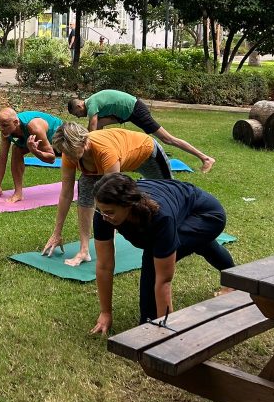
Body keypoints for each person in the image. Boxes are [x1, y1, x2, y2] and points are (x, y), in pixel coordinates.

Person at [89, 172, 234, 334]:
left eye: (110, 212)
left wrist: (164, 329)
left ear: (128, 205)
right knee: (199, 243)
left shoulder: (159, 218)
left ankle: (149, 325)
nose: (104, 217)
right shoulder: (103, 213)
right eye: (101, 211)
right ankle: (236, 280)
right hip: (180, 206)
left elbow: (163, 279)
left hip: (207, 215)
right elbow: (104, 265)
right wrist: (105, 312)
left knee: (154, 257)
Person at [42, 123, 172, 267]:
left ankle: (171, 235)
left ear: (85, 142)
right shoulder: (70, 152)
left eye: (73, 153)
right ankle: (84, 250)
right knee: (85, 189)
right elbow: (66, 194)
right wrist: (57, 232)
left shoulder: (105, 151)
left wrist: (109, 248)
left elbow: (114, 199)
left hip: (146, 153)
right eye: (67, 153)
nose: (71, 158)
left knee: (168, 194)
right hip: (107, 160)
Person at [68, 89, 215, 173]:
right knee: (99, 126)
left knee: (167, 139)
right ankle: (98, 155)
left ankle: (205, 158)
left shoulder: (91, 104)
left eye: (77, 114)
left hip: (135, 110)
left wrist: (83, 146)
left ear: (80, 106)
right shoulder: (94, 103)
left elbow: (92, 130)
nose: (80, 116)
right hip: (124, 114)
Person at [0, 108, 63, 203]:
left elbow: (51, 159)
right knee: (16, 149)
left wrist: (34, 151)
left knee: (78, 158)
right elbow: (2, 157)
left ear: (16, 122)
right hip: (29, 136)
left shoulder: (34, 128)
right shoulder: (6, 130)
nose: (1, 129)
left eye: (4, 125)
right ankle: (18, 193)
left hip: (59, 135)